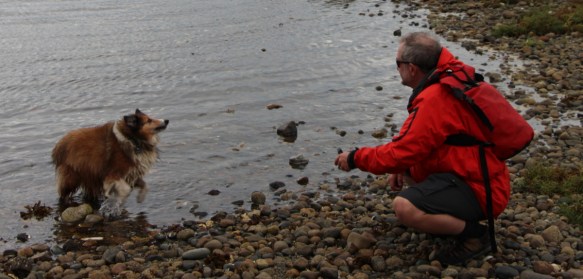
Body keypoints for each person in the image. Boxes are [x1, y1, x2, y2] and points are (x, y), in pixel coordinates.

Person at [334, 32, 511, 265]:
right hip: (476, 176)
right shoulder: (445, 79)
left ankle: (476, 236)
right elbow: (416, 145)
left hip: (482, 190)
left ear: (412, 68)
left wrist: (355, 158)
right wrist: (403, 164)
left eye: (397, 63)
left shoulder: (435, 99)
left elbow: (399, 153)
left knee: (404, 207)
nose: (396, 68)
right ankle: (444, 218)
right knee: (405, 167)